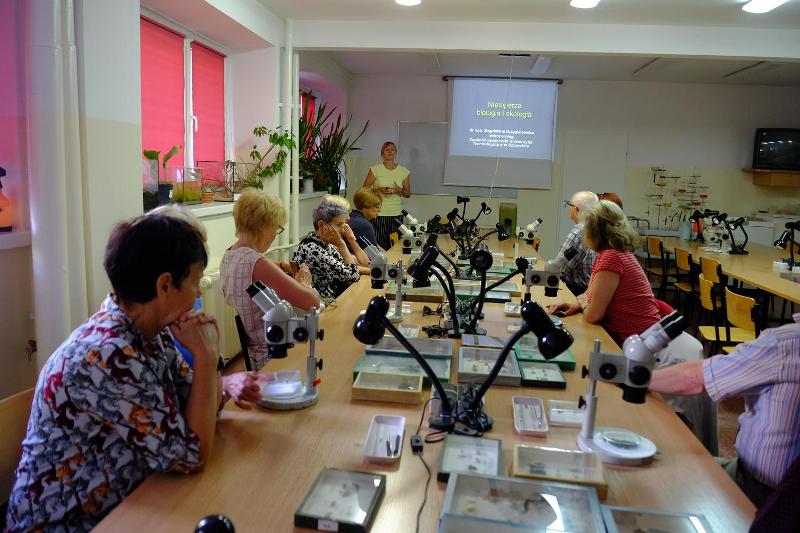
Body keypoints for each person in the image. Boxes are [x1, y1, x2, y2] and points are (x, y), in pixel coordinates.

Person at [5, 215, 259, 532]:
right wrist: (207, 360)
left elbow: (188, 403)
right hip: (73, 523)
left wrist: (217, 384)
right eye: (195, 283)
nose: (198, 295)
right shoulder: (106, 355)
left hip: (133, 499)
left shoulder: (151, 330)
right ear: (164, 285)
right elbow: (190, 454)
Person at [548, 200, 712, 450]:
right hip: (650, 340)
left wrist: (586, 304)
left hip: (654, 352)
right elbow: (591, 296)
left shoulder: (610, 259)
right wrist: (579, 303)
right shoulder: (615, 254)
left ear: (592, 232)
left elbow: (594, 315)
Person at [649, 315, 800, 508]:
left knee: (658, 476)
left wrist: (636, 379)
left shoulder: (785, 344)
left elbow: (695, 379)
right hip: (775, 489)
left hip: (761, 490)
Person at [221, 190, 322, 370]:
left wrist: (281, 265)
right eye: (276, 228)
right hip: (274, 355)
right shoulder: (256, 263)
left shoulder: (230, 255)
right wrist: (304, 282)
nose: (275, 235)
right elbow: (312, 302)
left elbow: (258, 267)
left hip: (254, 352)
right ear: (264, 226)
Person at [292, 197, 365, 300]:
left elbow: (350, 268)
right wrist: (341, 245)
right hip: (322, 305)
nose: (342, 230)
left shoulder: (326, 245)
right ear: (322, 225)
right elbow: (354, 276)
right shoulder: (313, 250)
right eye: (339, 225)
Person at [363, 141, 411, 249]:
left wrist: (399, 190)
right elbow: (364, 189)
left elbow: (408, 194)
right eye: (387, 149)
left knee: (395, 246)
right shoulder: (375, 169)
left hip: (396, 213)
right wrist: (378, 189)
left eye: (392, 149)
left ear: (396, 152)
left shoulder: (404, 171)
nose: (390, 152)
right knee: (379, 246)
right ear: (382, 153)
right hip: (378, 213)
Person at [555, 191, 598, 296]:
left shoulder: (580, 231)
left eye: (569, 205)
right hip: (593, 290)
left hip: (578, 292)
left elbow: (559, 267)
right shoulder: (597, 227)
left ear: (575, 209)